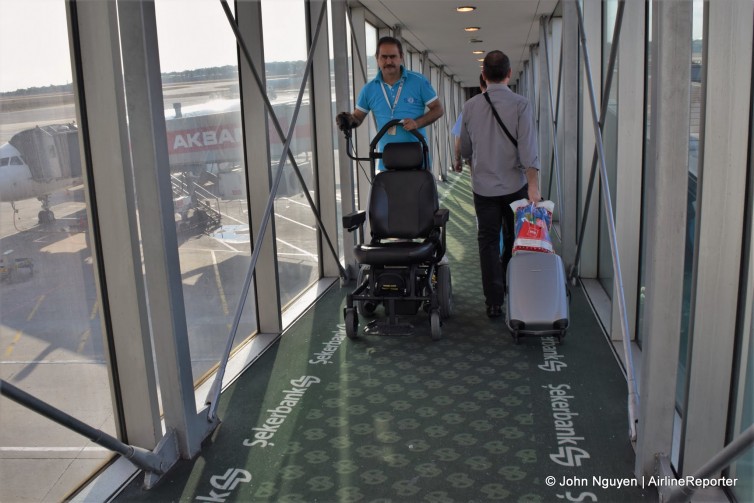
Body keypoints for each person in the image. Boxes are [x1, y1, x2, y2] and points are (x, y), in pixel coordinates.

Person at [458, 50, 541, 318]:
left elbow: (466, 149)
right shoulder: (521, 104)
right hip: (515, 185)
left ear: (483, 76)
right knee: (515, 239)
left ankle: (493, 301)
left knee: (488, 241)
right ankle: (512, 286)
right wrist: (533, 186)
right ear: (509, 74)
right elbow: (528, 148)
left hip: (483, 188)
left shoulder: (470, 107)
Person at [336, 36, 444, 169]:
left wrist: (417, 123)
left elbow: (438, 109)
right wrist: (347, 120)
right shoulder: (369, 89)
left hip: (417, 158)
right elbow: (357, 117)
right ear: (377, 58)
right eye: (384, 57)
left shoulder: (419, 81)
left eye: (393, 56)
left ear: (401, 57)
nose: (388, 61)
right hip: (387, 160)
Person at [452, 74, 487, 173]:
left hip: (477, 161)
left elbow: (460, 138)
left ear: (481, 86)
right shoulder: (515, 104)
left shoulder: (469, 107)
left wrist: (458, 159)